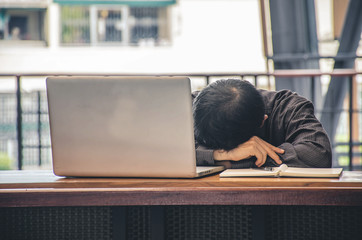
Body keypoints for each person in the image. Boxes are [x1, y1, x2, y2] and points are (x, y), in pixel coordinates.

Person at [192, 79, 332, 169]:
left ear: (262, 121)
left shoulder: (290, 107)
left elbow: (318, 154)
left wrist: (235, 160)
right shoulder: (195, 106)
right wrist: (220, 155)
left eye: (228, 149)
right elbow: (169, 150)